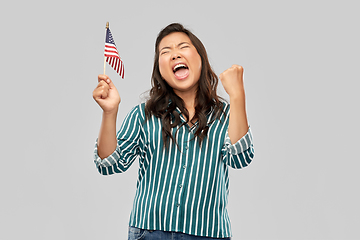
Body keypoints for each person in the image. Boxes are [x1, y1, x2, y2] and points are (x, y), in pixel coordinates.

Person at [93, 23, 254, 240]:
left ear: (200, 59)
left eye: (183, 47)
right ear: (160, 69)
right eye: (165, 52)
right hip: (150, 232)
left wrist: (237, 96)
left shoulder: (224, 114)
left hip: (208, 234)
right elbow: (109, 164)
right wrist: (110, 112)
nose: (175, 55)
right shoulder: (144, 114)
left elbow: (240, 158)